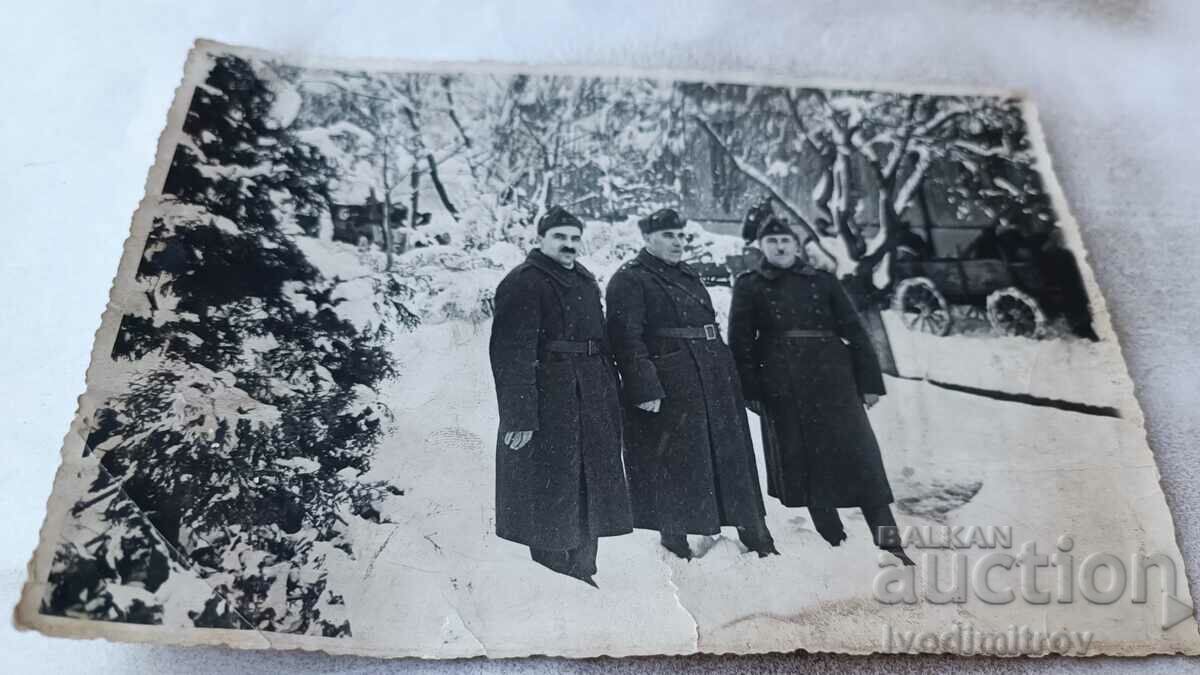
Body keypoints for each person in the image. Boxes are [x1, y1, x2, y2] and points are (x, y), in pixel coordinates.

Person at [728, 215, 914, 566]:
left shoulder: (824, 282)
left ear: (797, 246)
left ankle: (890, 542)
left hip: (835, 381)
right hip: (784, 386)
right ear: (761, 248)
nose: (780, 247)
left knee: (863, 460)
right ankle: (833, 538)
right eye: (772, 242)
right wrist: (751, 391)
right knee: (807, 464)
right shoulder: (749, 285)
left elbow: (856, 332)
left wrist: (870, 383)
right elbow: (740, 343)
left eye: (786, 241)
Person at [606, 208, 777, 560]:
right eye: (669, 235)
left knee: (731, 458)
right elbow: (626, 339)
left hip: (714, 378)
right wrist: (644, 387)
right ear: (647, 239)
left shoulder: (688, 275)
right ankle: (675, 542)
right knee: (675, 461)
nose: (678, 242)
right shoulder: (630, 279)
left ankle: (754, 532)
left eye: (681, 235)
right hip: (673, 384)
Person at [488, 206, 634, 586]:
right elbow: (510, 353)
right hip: (550, 399)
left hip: (593, 393)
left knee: (590, 483)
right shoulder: (524, 282)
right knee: (552, 485)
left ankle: (585, 569)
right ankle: (555, 576)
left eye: (573, 238)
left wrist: (611, 389)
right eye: (559, 237)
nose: (569, 245)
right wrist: (519, 417)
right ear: (540, 240)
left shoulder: (585, 281)